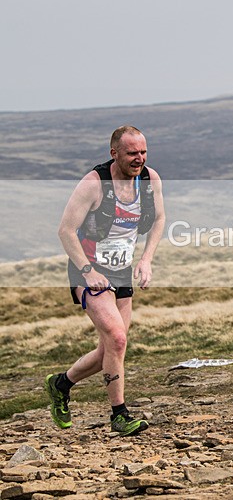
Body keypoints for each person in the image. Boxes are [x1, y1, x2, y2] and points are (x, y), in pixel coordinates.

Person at [46, 126, 165, 436]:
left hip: (121, 270)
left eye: (143, 152)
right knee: (118, 338)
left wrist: (146, 259)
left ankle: (61, 384)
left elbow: (161, 219)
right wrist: (87, 271)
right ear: (114, 154)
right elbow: (65, 231)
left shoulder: (150, 180)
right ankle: (119, 415)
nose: (139, 159)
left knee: (110, 349)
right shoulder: (94, 184)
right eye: (131, 153)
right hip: (88, 269)